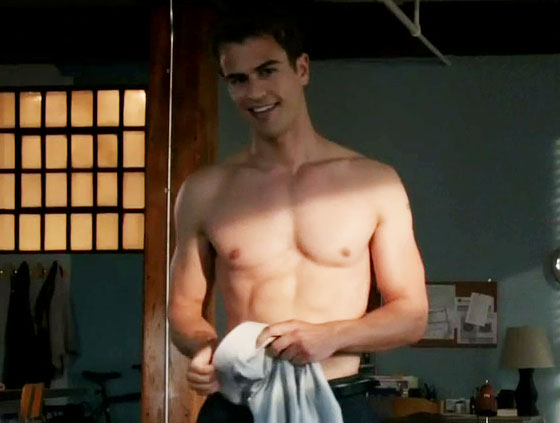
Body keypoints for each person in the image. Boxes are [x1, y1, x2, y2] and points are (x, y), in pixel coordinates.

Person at [169, 7, 428, 423]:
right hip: (240, 403)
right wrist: (205, 347)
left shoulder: (374, 183)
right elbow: (183, 308)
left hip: (340, 399)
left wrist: (331, 336)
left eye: (267, 71)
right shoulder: (205, 191)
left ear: (302, 69)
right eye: (238, 79)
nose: (255, 92)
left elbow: (412, 315)